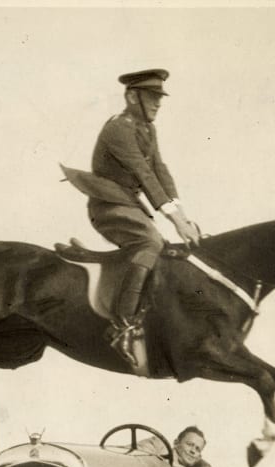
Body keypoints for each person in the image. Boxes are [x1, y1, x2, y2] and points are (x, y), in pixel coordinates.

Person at [62, 68, 200, 365]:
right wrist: (176, 222)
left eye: (159, 97)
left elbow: (160, 169)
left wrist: (184, 217)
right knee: (150, 243)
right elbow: (144, 174)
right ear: (131, 96)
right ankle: (122, 325)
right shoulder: (118, 128)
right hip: (107, 206)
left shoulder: (148, 128)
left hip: (128, 204)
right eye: (151, 97)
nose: (158, 103)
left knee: (162, 249)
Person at [140, 425, 212, 467]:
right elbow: (135, 455)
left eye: (197, 449)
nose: (193, 451)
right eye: (189, 444)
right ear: (176, 443)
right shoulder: (157, 447)